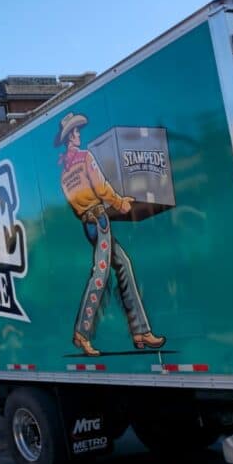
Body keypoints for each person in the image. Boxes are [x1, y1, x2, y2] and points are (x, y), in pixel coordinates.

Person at [56, 113, 164, 356]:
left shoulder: (65, 176)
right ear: (70, 137)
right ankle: (82, 333)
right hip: (101, 221)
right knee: (100, 275)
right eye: (76, 131)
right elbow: (101, 186)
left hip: (89, 224)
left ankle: (140, 330)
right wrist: (120, 202)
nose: (78, 134)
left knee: (123, 265)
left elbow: (76, 206)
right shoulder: (84, 158)